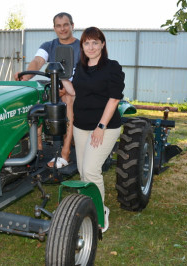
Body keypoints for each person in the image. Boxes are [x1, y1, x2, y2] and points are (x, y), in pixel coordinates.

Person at [62, 27, 125, 233]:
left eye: (95, 43)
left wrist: (101, 126)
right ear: (82, 46)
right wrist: (60, 77)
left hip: (104, 127)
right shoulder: (81, 67)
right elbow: (75, 91)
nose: (91, 47)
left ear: (102, 45)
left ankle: (100, 211)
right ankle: (86, 207)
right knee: (83, 171)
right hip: (81, 126)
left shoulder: (112, 67)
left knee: (91, 170)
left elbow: (114, 98)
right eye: (87, 43)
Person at [15, 12, 79, 169]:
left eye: (66, 25)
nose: (62, 29)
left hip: (76, 90)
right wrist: (25, 77)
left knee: (66, 100)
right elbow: (37, 61)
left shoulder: (81, 46)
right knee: (35, 98)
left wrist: (68, 89)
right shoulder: (49, 46)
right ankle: (37, 148)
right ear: (54, 28)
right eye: (58, 25)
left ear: (72, 26)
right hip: (55, 87)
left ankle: (65, 153)